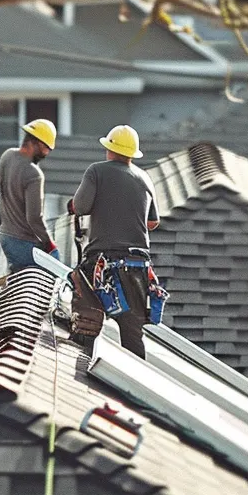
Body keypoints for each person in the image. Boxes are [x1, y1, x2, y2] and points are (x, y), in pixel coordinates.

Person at [69, 125, 162, 358]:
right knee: (133, 335)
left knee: (86, 318)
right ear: (132, 153)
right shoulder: (145, 178)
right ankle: (137, 384)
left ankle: (79, 368)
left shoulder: (96, 171)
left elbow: (80, 207)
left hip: (102, 263)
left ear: (109, 149)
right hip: (136, 266)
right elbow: (152, 223)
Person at [0, 119, 59, 272]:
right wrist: (49, 244)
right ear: (36, 143)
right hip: (23, 241)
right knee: (57, 274)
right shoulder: (34, 173)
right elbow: (34, 218)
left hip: (5, 235)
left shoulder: (7, 156)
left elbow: (3, 194)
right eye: (46, 148)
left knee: (18, 283)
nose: (46, 153)